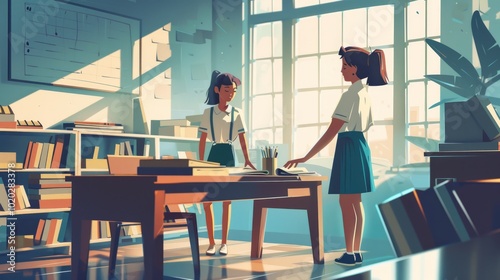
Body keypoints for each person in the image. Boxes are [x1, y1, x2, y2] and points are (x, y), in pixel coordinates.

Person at [284, 46, 388, 266]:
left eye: (344, 66)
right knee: (356, 202)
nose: (341, 71)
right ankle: (356, 251)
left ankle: (350, 252)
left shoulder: (350, 95)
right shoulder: (364, 93)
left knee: (345, 202)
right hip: (360, 145)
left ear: (354, 69)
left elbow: (332, 130)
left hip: (348, 147)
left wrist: (306, 157)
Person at [198, 70, 256, 256]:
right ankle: (211, 242)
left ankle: (224, 243)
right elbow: (202, 139)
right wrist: (200, 163)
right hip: (213, 154)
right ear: (217, 90)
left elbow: (242, 139)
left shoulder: (237, 113)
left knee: (226, 201)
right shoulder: (208, 113)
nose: (230, 94)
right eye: (226, 90)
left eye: (233, 91)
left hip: (230, 155)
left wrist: (247, 159)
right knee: (207, 201)